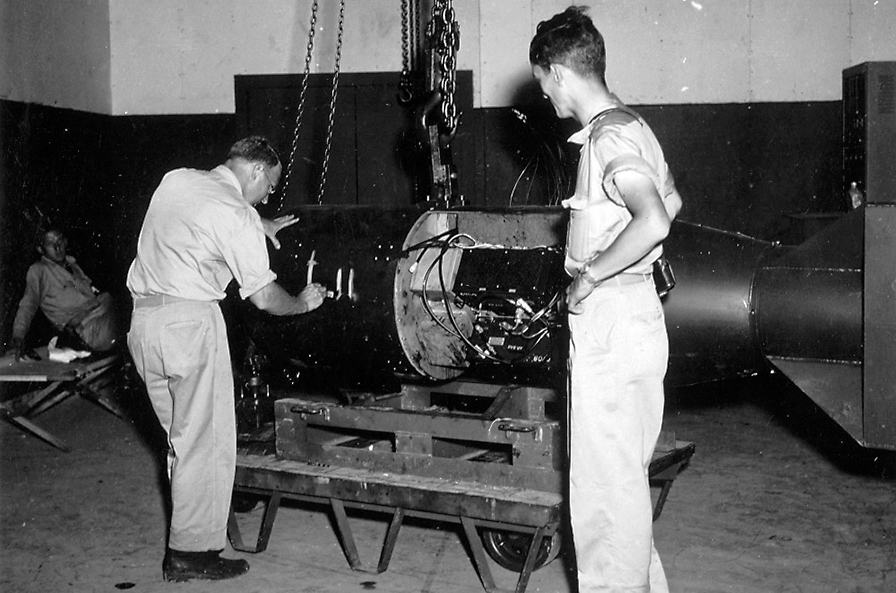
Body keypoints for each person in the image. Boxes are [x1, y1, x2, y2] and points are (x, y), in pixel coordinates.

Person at [529, 6, 683, 592]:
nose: (545, 96)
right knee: (623, 483)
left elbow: (653, 220)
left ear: (559, 73)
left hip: (612, 320)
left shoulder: (608, 138)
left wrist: (590, 274)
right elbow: (671, 204)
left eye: (544, 82)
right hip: (638, 313)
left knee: (602, 494)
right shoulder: (633, 125)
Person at [126, 136, 327, 582]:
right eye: (269, 187)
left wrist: (258, 224)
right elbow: (264, 298)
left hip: (144, 324)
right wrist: (302, 302)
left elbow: (206, 214)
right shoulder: (236, 215)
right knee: (207, 444)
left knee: (183, 440)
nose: (267, 196)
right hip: (191, 327)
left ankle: (190, 531)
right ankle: (191, 554)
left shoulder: (177, 180)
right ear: (257, 172)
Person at [6, 228, 118, 361]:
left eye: (59, 241)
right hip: (89, 328)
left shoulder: (72, 265)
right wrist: (17, 338)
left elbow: (89, 292)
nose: (57, 247)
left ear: (65, 242)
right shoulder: (39, 271)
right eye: (50, 244)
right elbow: (28, 305)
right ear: (41, 249)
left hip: (102, 315)